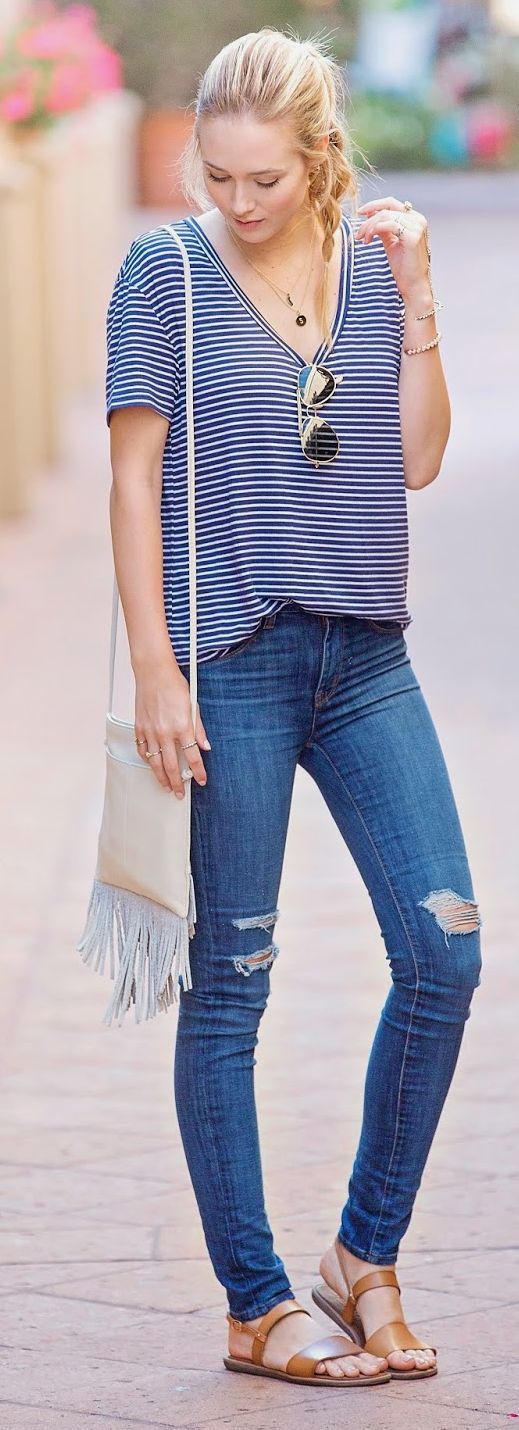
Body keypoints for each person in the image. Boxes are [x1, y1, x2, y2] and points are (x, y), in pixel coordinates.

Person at [105, 27, 482, 1391]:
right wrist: (158, 667)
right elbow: (134, 480)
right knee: (233, 990)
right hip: (234, 658)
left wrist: (423, 295)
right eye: (216, 175)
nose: (235, 202)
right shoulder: (166, 271)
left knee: (445, 953)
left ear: (318, 157)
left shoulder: (376, 264)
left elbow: (423, 458)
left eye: (261, 179)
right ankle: (256, 1302)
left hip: (368, 655)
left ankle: (361, 1258)